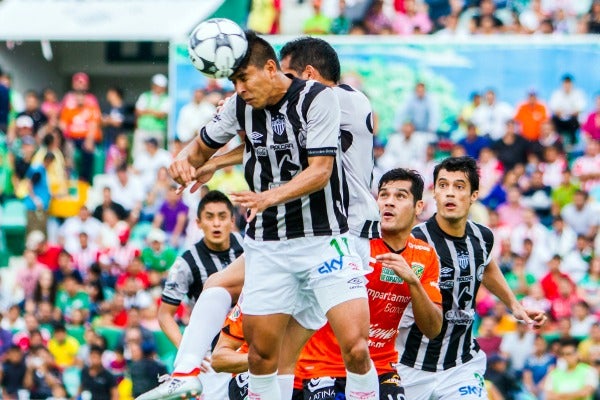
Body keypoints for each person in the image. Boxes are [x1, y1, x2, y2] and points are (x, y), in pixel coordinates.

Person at [144, 33, 377, 400]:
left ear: (306, 75)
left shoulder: (338, 99)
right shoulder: (258, 104)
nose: (242, 89)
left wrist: (264, 193)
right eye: (235, 81)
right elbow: (260, 141)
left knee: (355, 348)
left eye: (286, 72)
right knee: (273, 356)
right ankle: (188, 371)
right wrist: (198, 161)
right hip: (281, 237)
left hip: (341, 231)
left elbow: (317, 166)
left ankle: (188, 368)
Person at [211, 168, 443, 400]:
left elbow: (433, 330)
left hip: (380, 366)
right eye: (383, 195)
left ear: (419, 207)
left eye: (400, 196)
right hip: (319, 369)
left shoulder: (424, 256)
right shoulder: (345, 249)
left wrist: (413, 282)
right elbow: (223, 349)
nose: (389, 203)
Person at [395, 156, 547, 400]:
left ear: (474, 195)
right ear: (435, 194)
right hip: (410, 366)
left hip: (461, 366)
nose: (450, 194)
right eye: (443, 185)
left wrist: (515, 305)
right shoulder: (414, 241)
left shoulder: (483, 236)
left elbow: (486, 267)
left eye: (459, 186)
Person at [134, 74, 170, 157]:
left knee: (157, 155)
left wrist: (147, 110)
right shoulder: (145, 95)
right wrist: (154, 112)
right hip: (143, 130)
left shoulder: (167, 98)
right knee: (139, 155)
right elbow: (138, 111)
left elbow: (161, 114)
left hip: (157, 131)